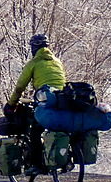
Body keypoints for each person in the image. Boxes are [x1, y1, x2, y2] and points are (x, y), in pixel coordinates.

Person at [5, 34, 67, 169]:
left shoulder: (33, 63)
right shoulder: (57, 62)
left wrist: (11, 104)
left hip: (46, 101)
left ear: (34, 47)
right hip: (62, 101)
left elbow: (20, 87)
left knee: (35, 130)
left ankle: (37, 164)